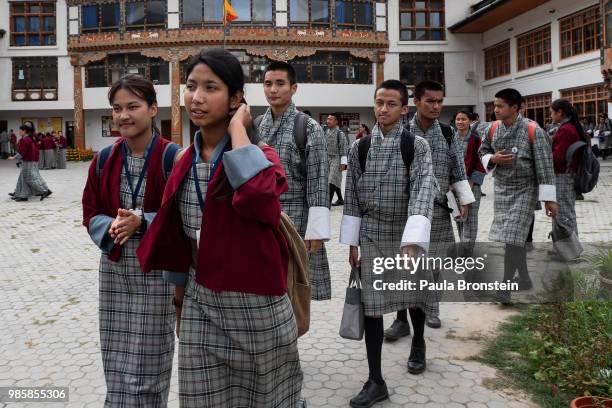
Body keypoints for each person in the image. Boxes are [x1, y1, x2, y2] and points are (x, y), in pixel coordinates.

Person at [136, 49, 304, 408]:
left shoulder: (262, 156)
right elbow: (179, 239)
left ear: (236, 99)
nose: (196, 98)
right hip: (201, 305)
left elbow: (260, 199)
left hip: (258, 308)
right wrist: (180, 305)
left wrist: (238, 131)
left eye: (211, 87)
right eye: (191, 86)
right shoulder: (183, 161)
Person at [81, 75, 179, 407]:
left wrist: (144, 220)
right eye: (117, 108)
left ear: (153, 109)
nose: (124, 115)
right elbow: (90, 209)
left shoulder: (173, 158)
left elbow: (184, 214)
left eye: (133, 106)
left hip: (156, 271)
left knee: (149, 360)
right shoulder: (104, 159)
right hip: (115, 269)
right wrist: (112, 225)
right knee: (116, 356)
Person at [340, 79, 436, 407]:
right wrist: (352, 242)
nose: (383, 109)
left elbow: (424, 188)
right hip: (371, 232)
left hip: (405, 231)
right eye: (379, 102)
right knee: (373, 307)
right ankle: (375, 380)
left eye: (391, 104)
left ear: (404, 108)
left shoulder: (416, 146)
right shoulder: (359, 148)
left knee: (414, 296)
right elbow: (351, 194)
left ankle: (419, 342)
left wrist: (413, 238)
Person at [386, 81, 474, 335]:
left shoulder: (447, 133)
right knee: (404, 265)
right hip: (406, 210)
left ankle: (431, 307)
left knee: (435, 262)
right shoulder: (400, 130)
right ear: (416, 102)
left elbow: (458, 167)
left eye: (440, 101)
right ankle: (401, 319)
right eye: (430, 101)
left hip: (438, 209)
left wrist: (463, 199)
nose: (436, 106)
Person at [256, 61, 332, 300]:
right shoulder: (255, 126)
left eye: (280, 83)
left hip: (297, 219)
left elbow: (319, 180)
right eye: (268, 84)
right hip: (260, 219)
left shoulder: (308, 127)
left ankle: (290, 337)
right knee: (263, 287)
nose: (273, 90)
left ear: (294, 88)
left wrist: (317, 231)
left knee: (293, 290)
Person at [479, 88, 557, 302]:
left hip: (525, 189)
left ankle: (505, 287)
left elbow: (544, 166)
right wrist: (492, 159)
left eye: (499, 106)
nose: (495, 110)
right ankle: (524, 278)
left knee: (512, 237)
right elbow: (482, 151)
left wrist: (549, 199)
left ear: (514, 108)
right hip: (502, 190)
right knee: (513, 239)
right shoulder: (492, 129)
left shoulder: (533, 130)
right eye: (494, 106)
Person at [550, 99, 587, 237]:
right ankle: (564, 249)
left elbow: (558, 158)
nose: (551, 116)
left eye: (552, 113)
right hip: (568, 175)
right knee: (564, 213)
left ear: (560, 112)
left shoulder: (566, 130)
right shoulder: (572, 127)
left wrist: (543, 160)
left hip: (562, 176)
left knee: (563, 215)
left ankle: (570, 252)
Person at [454, 110, 486, 256]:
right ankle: (462, 245)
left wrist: (468, 188)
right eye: (458, 119)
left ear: (469, 121)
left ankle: (467, 251)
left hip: (471, 184)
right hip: (453, 186)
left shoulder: (476, 139)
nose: (460, 122)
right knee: (459, 218)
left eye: (463, 119)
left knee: (471, 219)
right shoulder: (449, 138)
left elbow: (480, 164)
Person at [8, 122, 52, 202]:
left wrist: (14, 157)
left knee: (29, 178)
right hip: (29, 160)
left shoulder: (26, 139)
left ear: (25, 131)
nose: (19, 132)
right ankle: (22, 195)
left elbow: (22, 152)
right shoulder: (28, 138)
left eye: (20, 130)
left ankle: (44, 191)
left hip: (29, 160)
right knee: (24, 178)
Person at [326, 113, 348, 206]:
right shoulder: (325, 131)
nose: (328, 121)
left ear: (336, 121)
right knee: (334, 179)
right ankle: (340, 199)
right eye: (327, 119)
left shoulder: (340, 134)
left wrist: (344, 164)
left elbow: (344, 149)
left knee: (331, 180)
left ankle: (327, 203)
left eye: (330, 119)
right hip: (326, 158)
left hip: (336, 158)